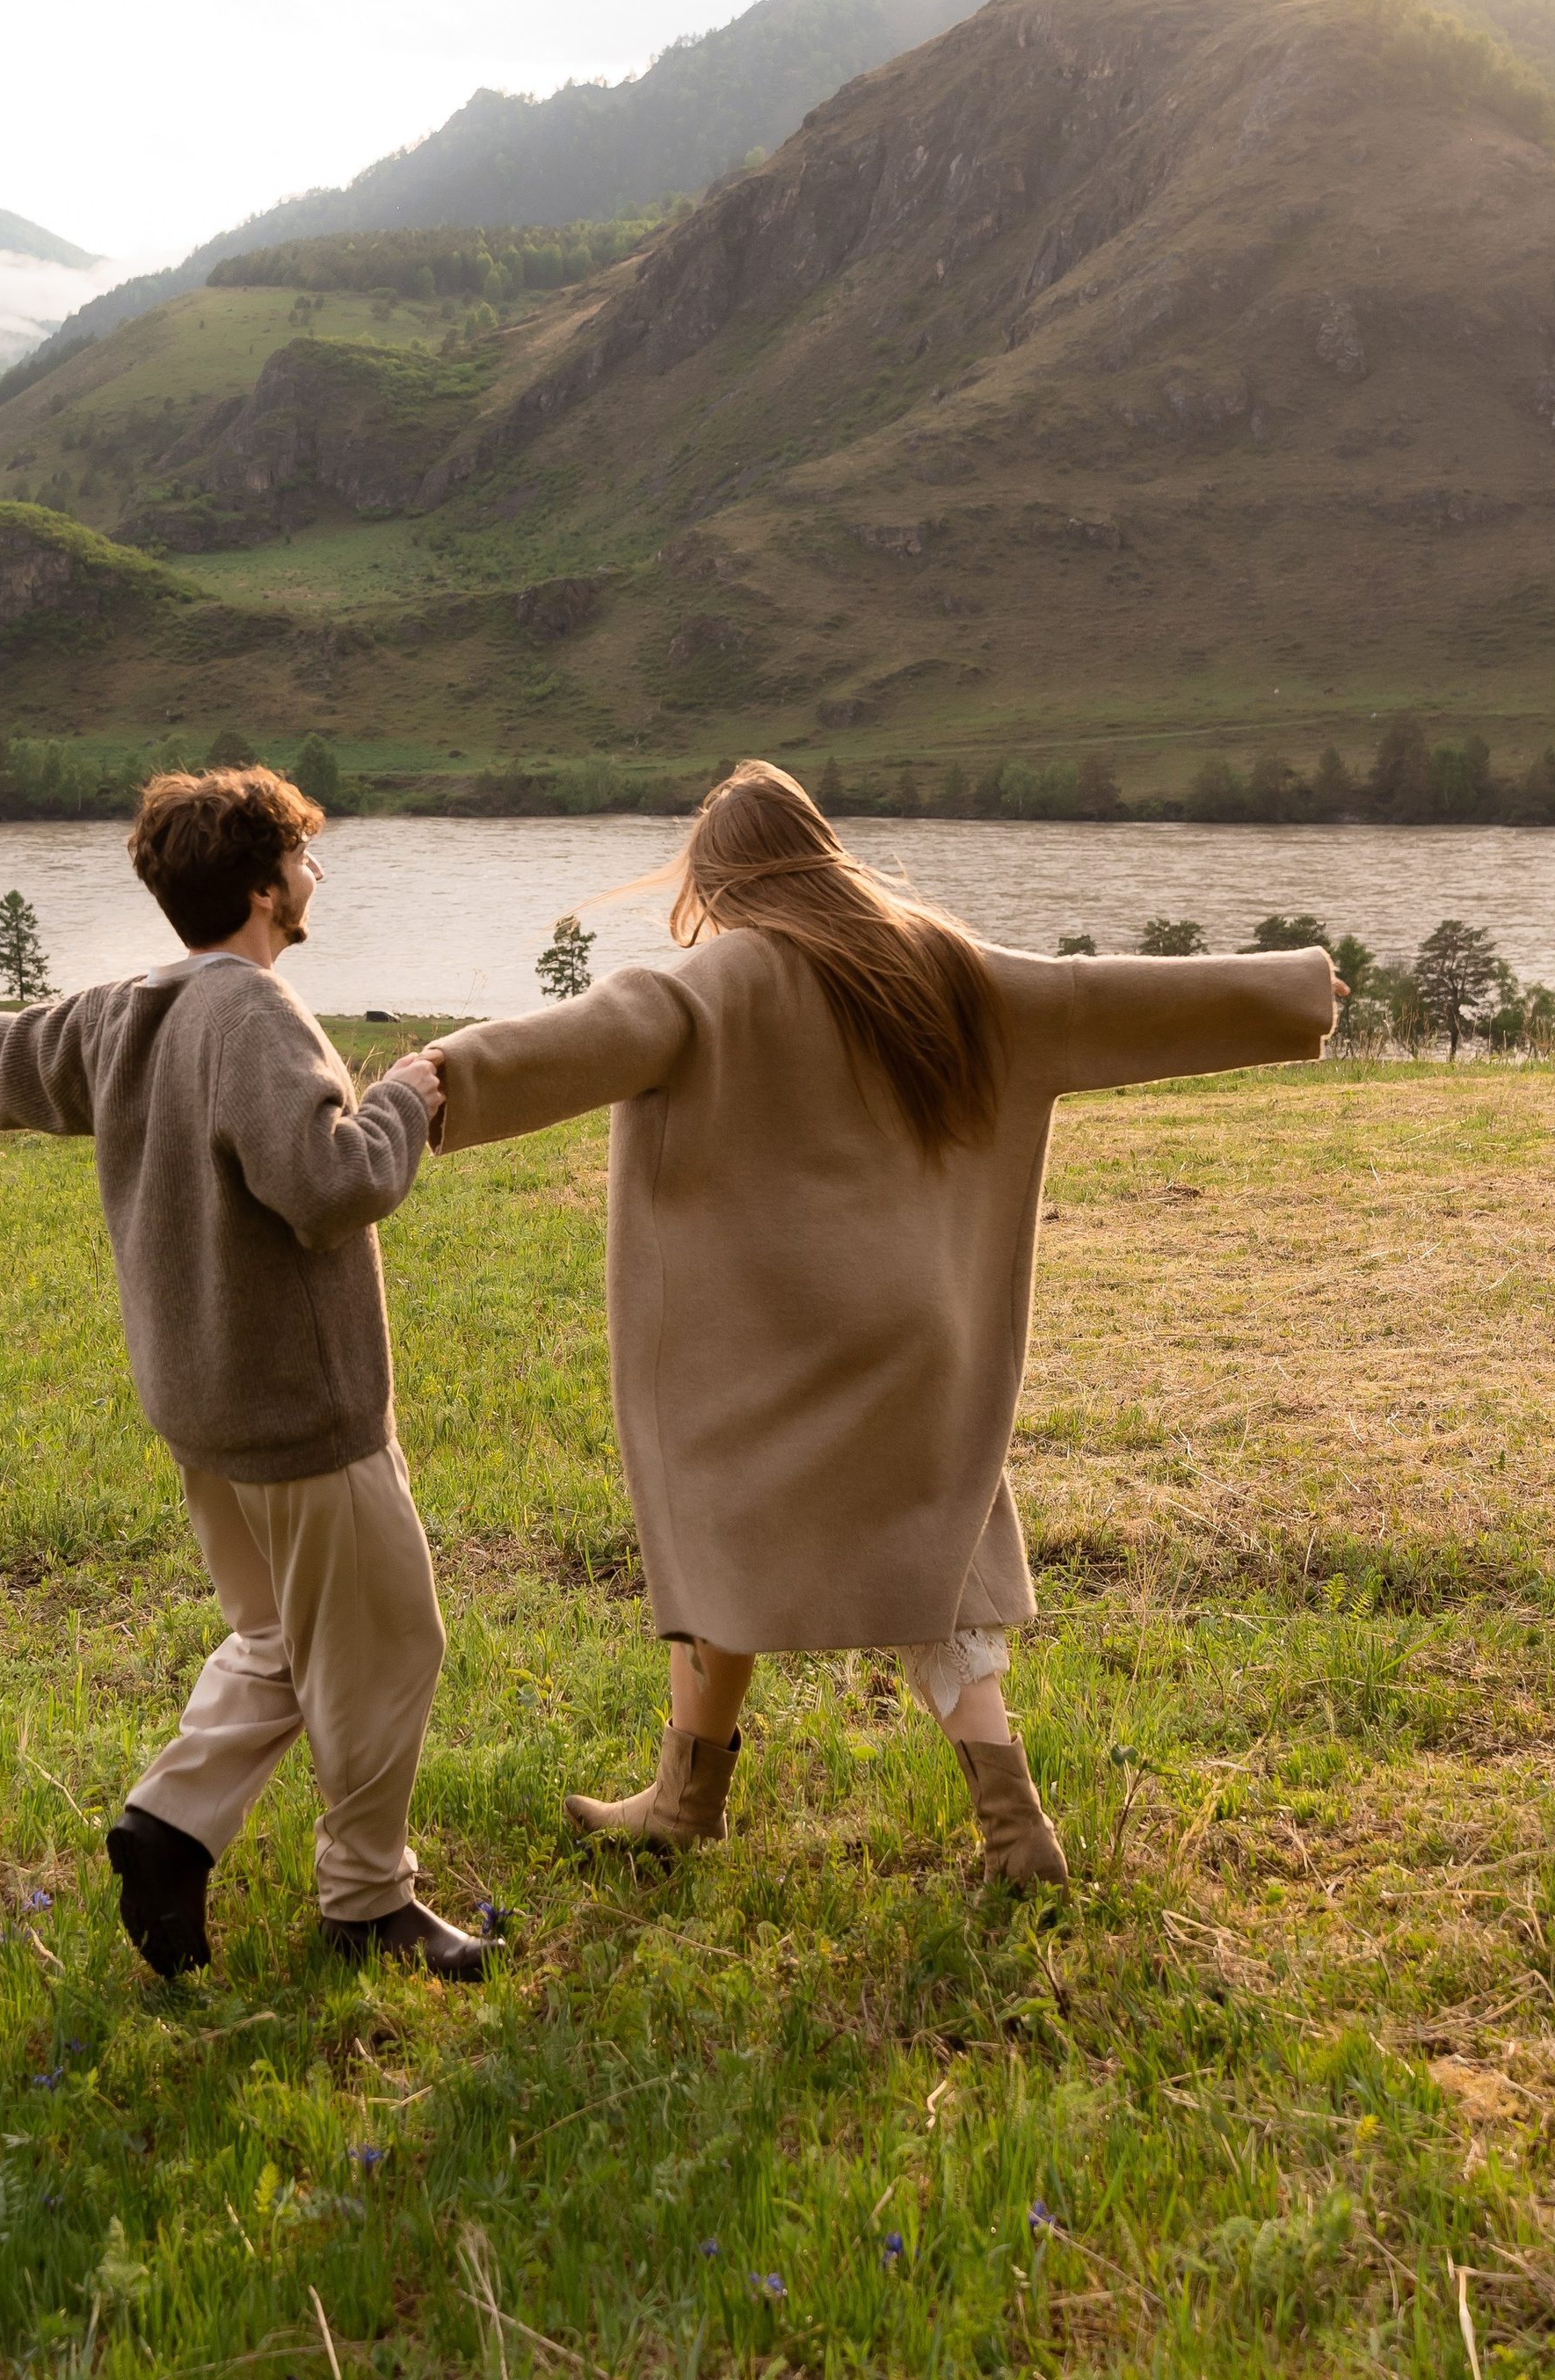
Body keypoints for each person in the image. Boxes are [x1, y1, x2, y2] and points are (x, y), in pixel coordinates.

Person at [426, 760, 1340, 1886]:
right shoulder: (939, 962)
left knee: (727, 1531)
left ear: (722, 877)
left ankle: (684, 1801)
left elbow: (592, 1033)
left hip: (774, 1340)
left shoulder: (721, 980)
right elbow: (1089, 993)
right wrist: (1290, 992)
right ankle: (1008, 1826)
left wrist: (433, 1085)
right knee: (934, 1561)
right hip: (920, 1331)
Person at [0, 764, 494, 1983]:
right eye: (303, 858)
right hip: (302, 1421)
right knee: (388, 1646)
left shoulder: (122, 1010)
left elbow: (0, 1055)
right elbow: (331, 1184)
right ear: (262, 887)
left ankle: (169, 1828)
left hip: (202, 1412)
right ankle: (367, 1901)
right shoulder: (252, 1012)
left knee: (280, 1639)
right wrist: (404, 1098)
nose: (315, 875)